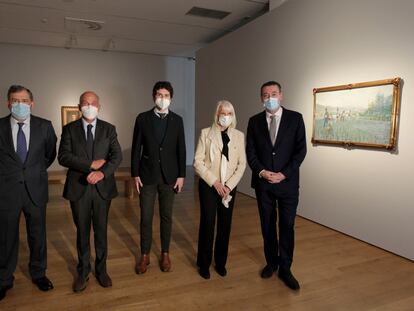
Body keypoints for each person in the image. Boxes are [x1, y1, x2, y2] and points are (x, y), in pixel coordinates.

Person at [58, 91, 122, 292]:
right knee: (82, 231)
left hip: (102, 188)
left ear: (99, 107)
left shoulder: (109, 129)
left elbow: (116, 156)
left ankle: (101, 270)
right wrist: (90, 164)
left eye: (93, 103)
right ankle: (83, 271)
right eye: (85, 102)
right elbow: (63, 157)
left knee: (101, 231)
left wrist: (102, 173)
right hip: (79, 188)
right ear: (79, 106)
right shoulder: (69, 129)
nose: (89, 105)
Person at [246, 81, 306, 290]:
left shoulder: (295, 119)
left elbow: (300, 152)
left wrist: (283, 174)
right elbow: (250, 152)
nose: (269, 97)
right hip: (264, 184)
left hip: (287, 185)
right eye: (265, 95)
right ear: (261, 98)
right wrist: (262, 172)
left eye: (273, 93)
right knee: (267, 225)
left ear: (281, 95)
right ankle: (271, 262)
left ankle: (286, 268)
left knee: (287, 226)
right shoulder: (254, 122)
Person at [0, 85, 57, 301]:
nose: (20, 104)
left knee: (37, 235)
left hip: (35, 189)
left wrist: (34, 172)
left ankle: (39, 273)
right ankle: (4, 279)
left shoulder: (44, 126)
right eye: (15, 100)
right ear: (8, 103)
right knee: (6, 238)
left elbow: (49, 154)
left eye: (24, 100)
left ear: (32, 104)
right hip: (7, 191)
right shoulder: (0, 127)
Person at [131, 81, 186, 274]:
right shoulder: (142, 118)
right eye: (159, 95)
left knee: (166, 217)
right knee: (145, 217)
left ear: (171, 98)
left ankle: (165, 253)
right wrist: (135, 173)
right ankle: (144, 254)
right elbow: (136, 147)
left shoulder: (177, 120)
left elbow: (181, 149)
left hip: (169, 177)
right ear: (154, 96)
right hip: (147, 176)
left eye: (166, 95)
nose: (163, 99)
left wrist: (181, 175)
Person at [194, 100, 246, 279]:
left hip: (228, 188)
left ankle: (221, 262)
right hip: (209, 185)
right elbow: (198, 162)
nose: (225, 117)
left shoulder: (239, 135)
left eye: (229, 114)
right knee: (208, 224)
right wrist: (215, 182)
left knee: (225, 225)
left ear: (233, 116)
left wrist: (228, 186)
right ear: (217, 115)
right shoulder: (206, 133)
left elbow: (242, 164)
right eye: (222, 113)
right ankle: (204, 263)